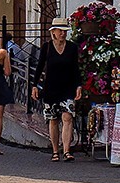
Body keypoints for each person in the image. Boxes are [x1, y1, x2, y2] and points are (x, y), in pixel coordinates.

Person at [32, 22, 83, 162]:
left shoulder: (72, 47)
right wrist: (35, 85)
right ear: (53, 32)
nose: (63, 34)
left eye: (65, 31)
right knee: (53, 119)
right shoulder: (47, 47)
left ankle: (66, 150)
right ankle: (55, 150)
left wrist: (78, 86)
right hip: (51, 88)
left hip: (68, 88)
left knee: (67, 117)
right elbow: (40, 66)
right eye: (60, 31)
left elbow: (75, 68)